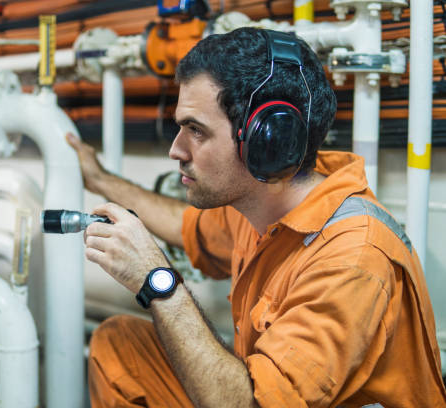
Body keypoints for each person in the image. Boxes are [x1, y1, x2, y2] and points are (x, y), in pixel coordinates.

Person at [66, 27, 446, 407]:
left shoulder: (353, 260)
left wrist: (156, 280)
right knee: (122, 347)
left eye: (196, 131)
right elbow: (185, 227)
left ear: (268, 140)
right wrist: (99, 179)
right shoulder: (261, 206)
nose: (175, 150)